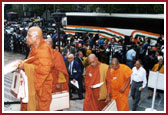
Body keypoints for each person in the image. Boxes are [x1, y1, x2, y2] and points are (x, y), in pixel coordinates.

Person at [19, 26, 53, 111]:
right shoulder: (35, 48)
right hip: (35, 87)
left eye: (29, 36)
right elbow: (33, 62)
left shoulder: (44, 50)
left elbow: (43, 71)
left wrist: (24, 66)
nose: (26, 38)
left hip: (42, 90)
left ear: (36, 37)